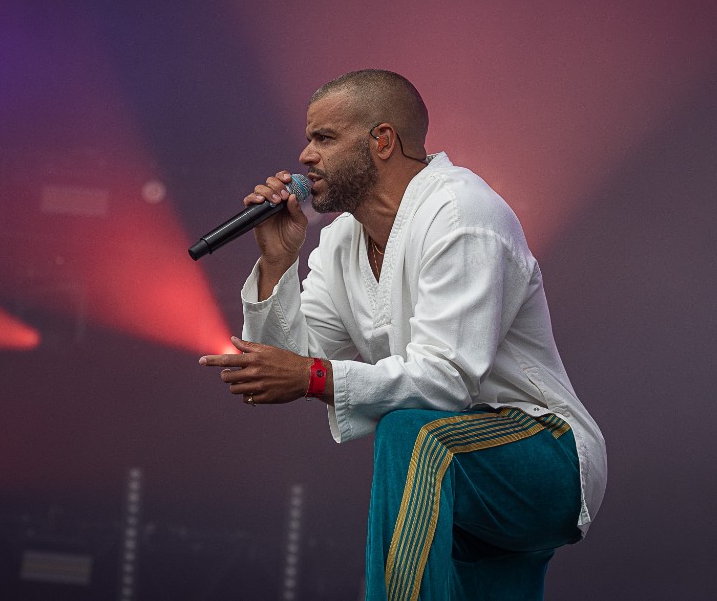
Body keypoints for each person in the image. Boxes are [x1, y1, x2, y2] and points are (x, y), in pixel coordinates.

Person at [199, 69, 606, 600]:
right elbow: (288, 365)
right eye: (308, 139)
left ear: (382, 140)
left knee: (410, 434)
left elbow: (446, 380)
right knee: (419, 440)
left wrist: (314, 376)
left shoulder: (461, 213)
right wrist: (279, 262)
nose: (304, 156)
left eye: (324, 138)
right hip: (454, 483)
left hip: (544, 453)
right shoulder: (343, 240)